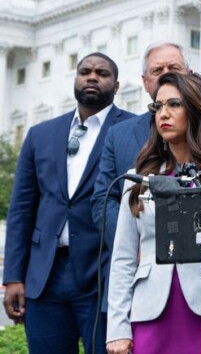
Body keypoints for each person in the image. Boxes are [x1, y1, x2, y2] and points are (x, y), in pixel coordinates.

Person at [91, 42, 201, 315]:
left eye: (174, 68)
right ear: (145, 82)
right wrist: (138, 249)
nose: (165, 113)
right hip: (144, 290)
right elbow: (103, 201)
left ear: (190, 76)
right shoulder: (119, 136)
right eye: (157, 70)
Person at [106, 72, 201, 354]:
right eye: (158, 106)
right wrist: (117, 327)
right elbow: (123, 259)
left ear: (195, 110)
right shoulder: (137, 180)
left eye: (174, 104)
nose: (163, 114)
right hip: (149, 313)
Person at [3, 53, 134, 353]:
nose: (92, 77)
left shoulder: (134, 129)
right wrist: (12, 276)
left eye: (102, 73)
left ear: (116, 85)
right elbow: (22, 208)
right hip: (44, 277)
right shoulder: (40, 134)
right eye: (85, 71)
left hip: (102, 274)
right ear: (75, 79)